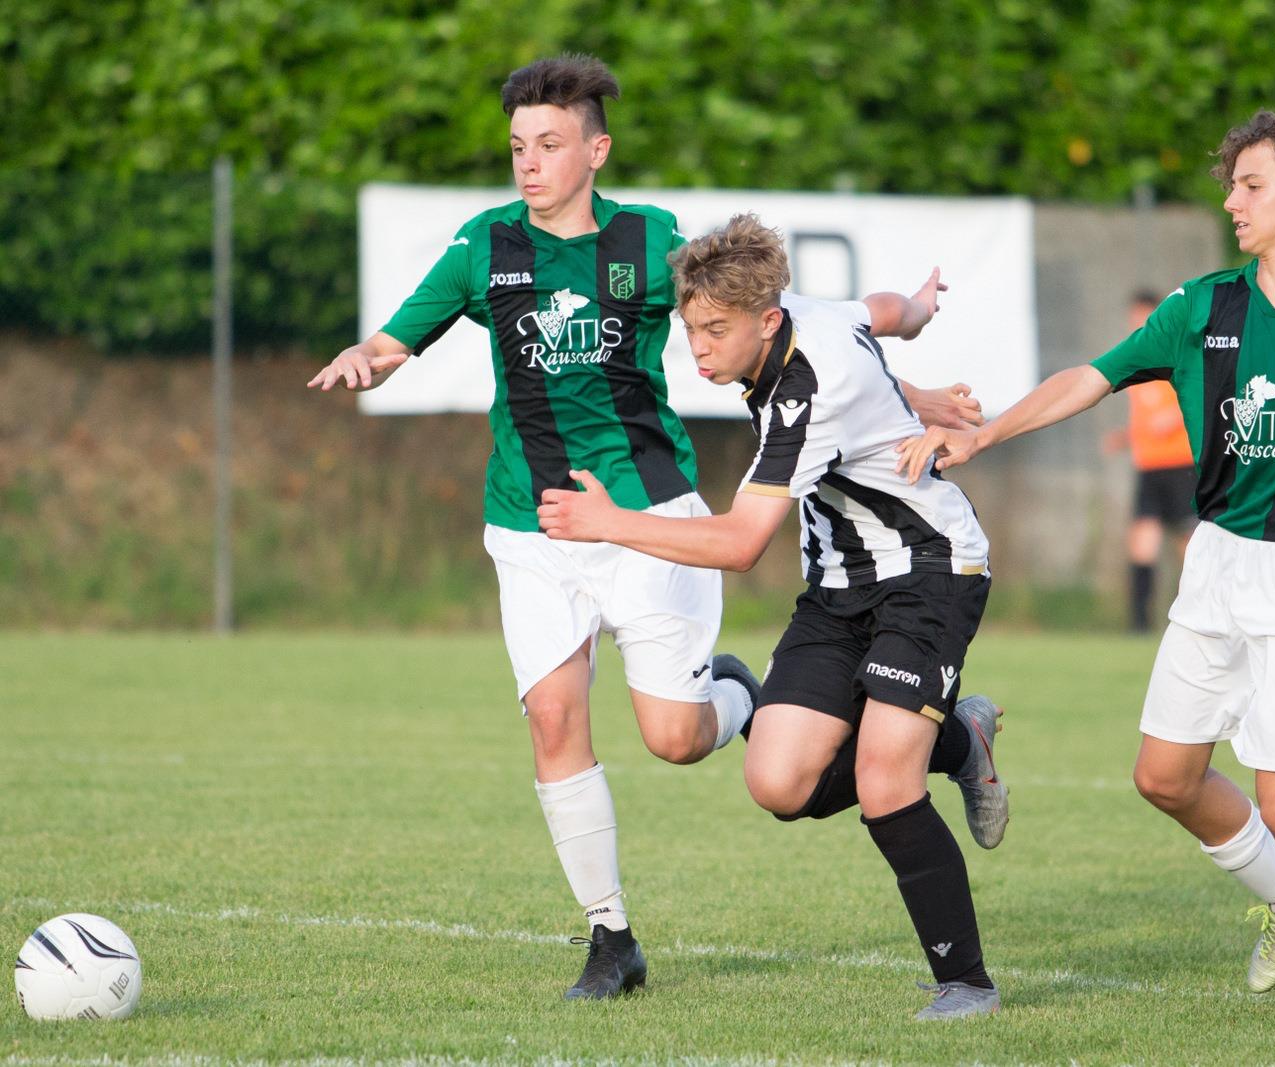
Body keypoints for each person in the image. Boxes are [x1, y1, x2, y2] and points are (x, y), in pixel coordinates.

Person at [307, 55, 982, 1001]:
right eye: (516, 147)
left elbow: (777, 332)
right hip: (531, 524)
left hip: (648, 512)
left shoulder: (647, 243)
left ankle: (736, 696)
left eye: (548, 144)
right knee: (553, 718)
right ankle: (610, 939)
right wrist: (367, 359)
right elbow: (395, 337)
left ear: (596, 149)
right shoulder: (482, 246)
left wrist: (906, 355)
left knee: (672, 737)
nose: (528, 164)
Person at [896, 98, 1275, 1024]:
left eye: (1251, 184)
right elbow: (1087, 379)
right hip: (1216, 560)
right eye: (1232, 185)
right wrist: (985, 434)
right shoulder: (1199, 307)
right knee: (1163, 777)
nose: (1233, 200)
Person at [537, 214, 1008, 1021]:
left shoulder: (804, 390)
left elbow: (742, 542)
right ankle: (960, 735)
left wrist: (608, 523)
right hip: (836, 586)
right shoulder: (799, 317)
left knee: (884, 779)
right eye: (691, 329)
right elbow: (879, 310)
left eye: (716, 330)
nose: (700, 347)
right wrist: (920, 313)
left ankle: (966, 980)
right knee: (779, 782)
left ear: (765, 318)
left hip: (929, 569)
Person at [1102, 290, 1197, 632]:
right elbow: (1145, 418)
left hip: (1180, 464)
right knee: (1143, 540)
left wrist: (1172, 418)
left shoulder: (1179, 354)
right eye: (1133, 320)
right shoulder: (1138, 364)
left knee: (1189, 543)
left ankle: (1193, 616)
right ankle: (1139, 624)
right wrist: (1125, 437)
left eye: (1143, 319)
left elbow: (1200, 399)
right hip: (1149, 466)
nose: (1137, 326)